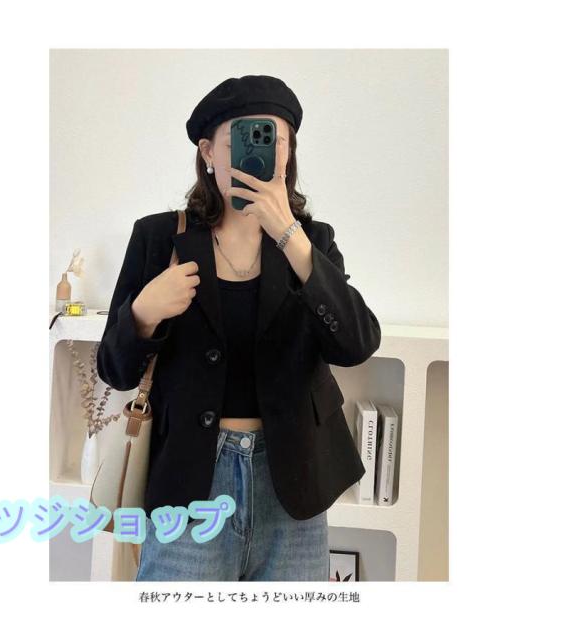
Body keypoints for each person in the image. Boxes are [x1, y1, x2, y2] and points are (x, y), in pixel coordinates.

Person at [96, 75, 382, 581]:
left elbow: (356, 343)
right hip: (190, 485)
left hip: (293, 483)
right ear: (208, 152)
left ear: (288, 154)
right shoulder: (158, 237)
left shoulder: (312, 242)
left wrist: (290, 237)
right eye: (242, 139)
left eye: (275, 140)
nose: (261, 154)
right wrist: (143, 312)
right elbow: (114, 371)